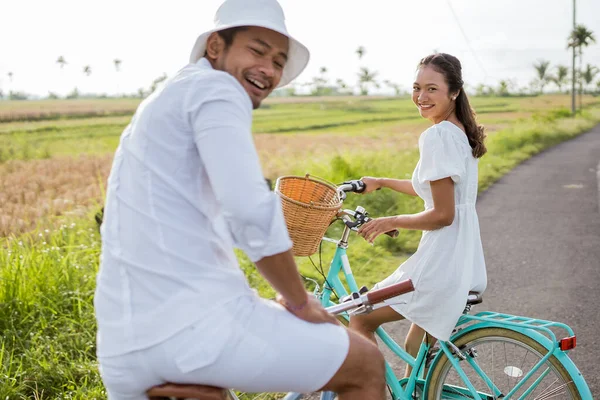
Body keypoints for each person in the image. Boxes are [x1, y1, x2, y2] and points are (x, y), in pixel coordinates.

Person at [94, 0, 386, 399]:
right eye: (257, 50)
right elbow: (249, 211)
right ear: (216, 46)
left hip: (123, 346)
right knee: (365, 364)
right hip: (193, 330)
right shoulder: (217, 88)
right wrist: (300, 303)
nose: (269, 68)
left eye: (279, 61)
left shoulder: (168, 98)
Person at [349, 52, 488, 377]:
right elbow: (432, 188)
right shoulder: (458, 133)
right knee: (415, 354)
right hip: (463, 261)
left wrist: (389, 221)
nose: (421, 97)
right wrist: (382, 182)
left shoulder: (437, 136)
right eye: (416, 88)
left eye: (431, 89)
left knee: (360, 315)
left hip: (440, 264)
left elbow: (442, 214)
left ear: (453, 92)